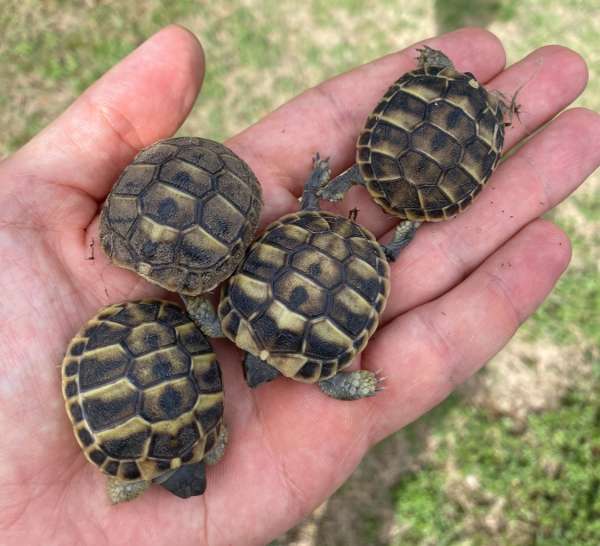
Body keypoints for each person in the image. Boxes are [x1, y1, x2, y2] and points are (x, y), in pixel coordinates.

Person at [0, 24, 598, 546]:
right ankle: (395, 233)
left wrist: (337, 376)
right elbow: (223, 320)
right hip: (290, 261)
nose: (249, 373)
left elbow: (232, 326)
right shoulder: (228, 328)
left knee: (379, 255)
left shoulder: (227, 336)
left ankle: (394, 236)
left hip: (325, 256)